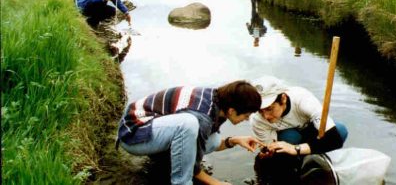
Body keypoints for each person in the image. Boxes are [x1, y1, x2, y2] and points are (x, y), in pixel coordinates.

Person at [116, 81, 265, 185]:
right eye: (246, 116)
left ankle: (163, 160)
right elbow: (193, 166)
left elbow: (204, 142)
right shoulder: (203, 117)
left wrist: (234, 141)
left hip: (152, 130)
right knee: (188, 124)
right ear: (232, 110)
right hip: (133, 135)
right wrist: (215, 183)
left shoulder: (218, 101)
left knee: (212, 139)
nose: (247, 120)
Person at [250, 76, 348, 184]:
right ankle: (299, 162)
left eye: (269, 109)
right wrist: (266, 155)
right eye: (260, 111)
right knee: (288, 139)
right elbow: (271, 155)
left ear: (283, 98)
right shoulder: (257, 120)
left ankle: (311, 154)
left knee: (340, 130)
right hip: (288, 138)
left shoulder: (302, 98)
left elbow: (334, 139)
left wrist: (296, 149)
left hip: (310, 132)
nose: (266, 116)